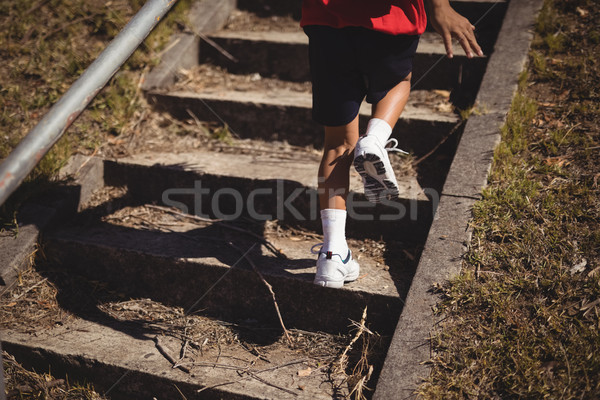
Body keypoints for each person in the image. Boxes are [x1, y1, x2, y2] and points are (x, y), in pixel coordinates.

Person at [302, 0, 483, 288]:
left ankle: (332, 254)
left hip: (327, 20)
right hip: (391, 14)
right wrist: (439, 5)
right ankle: (374, 139)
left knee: (337, 144)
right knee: (398, 80)